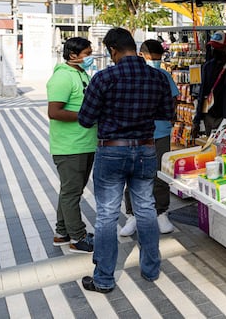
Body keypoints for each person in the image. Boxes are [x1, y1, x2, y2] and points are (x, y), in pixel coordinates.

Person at [77, 28, 174, 293]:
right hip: (145, 150)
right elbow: (167, 114)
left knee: (107, 214)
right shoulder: (158, 77)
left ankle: (104, 279)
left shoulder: (104, 78)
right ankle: (151, 270)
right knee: (146, 208)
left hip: (111, 151)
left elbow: (85, 119)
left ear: (112, 50)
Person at [119, 40, 179, 237]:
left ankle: (161, 212)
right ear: (141, 54)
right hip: (135, 133)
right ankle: (132, 214)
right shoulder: (131, 75)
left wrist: (169, 115)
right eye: (152, 58)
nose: (155, 62)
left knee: (160, 173)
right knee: (133, 172)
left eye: (158, 59)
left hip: (160, 132)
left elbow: (173, 99)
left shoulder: (164, 75)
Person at [47, 37, 98, 254]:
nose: (90, 57)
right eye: (87, 53)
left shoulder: (79, 73)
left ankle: (62, 233)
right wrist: (85, 116)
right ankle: (77, 238)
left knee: (69, 191)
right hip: (70, 147)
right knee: (72, 193)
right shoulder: (62, 77)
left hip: (83, 144)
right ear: (73, 55)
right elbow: (54, 112)